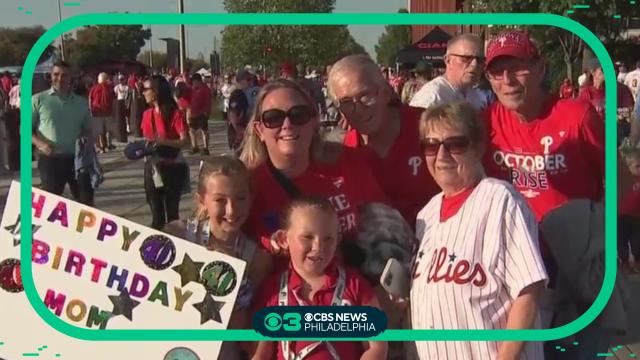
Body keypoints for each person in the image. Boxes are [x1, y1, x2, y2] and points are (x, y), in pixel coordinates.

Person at [482, 30, 607, 359]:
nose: (507, 80)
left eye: (518, 68)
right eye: (497, 71)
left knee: (574, 351)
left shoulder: (577, 116)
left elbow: (617, 181)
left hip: (571, 266)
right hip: (515, 267)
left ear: (540, 68)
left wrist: (601, 237)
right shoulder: (485, 123)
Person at [405, 101, 547, 360]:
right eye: (430, 145)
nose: (441, 156)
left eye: (455, 145)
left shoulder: (499, 198)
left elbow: (529, 291)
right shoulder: (426, 215)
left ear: (478, 147)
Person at [239, 79, 388, 258]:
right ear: (259, 130)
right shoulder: (244, 187)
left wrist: (382, 285)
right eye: (274, 118)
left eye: (298, 115)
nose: (287, 125)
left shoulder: (347, 163)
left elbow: (389, 233)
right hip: (280, 285)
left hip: (352, 282)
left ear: (314, 121)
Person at [251, 196, 388, 360]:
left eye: (328, 239)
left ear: (338, 240)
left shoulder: (354, 284)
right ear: (283, 239)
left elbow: (378, 347)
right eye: (307, 237)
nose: (318, 247)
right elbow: (260, 355)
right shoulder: (272, 291)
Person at [165, 156, 273, 359]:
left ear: (251, 198)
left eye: (240, 198)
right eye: (220, 200)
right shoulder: (176, 235)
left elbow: (244, 328)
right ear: (202, 200)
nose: (231, 210)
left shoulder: (258, 259)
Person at [328, 54, 439, 228]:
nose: (358, 109)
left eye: (365, 96)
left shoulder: (429, 127)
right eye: (347, 102)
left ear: (385, 93)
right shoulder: (347, 150)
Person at [31, 61, 95, 205]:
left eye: (64, 75)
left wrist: (87, 144)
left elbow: (88, 129)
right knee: (51, 204)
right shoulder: (38, 100)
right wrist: (40, 144)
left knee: (86, 202)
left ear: (70, 77)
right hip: (50, 159)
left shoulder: (80, 102)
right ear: (50, 76)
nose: (60, 78)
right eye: (56, 74)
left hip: (76, 160)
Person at [140, 75, 189, 230]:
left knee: (172, 215)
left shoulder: (175, 113)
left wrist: (163, 141)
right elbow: (148, 139)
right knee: (156, 215)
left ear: (155, 91)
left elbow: (185, 142)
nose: (143, 93)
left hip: (172, 167)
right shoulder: (147, 114)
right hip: (153, 167)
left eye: (146, 89)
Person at [409, 33, 488, 111]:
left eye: (479, 60)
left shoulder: (478, 97)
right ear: (448, 61)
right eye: (466, 58)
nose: (474, 64)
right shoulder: (432, 97)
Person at [618, 148, 640, 274]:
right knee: (622, 241)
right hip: (621, 216)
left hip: (637, 216)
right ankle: (624, 262)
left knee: (637, 241)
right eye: (637, 166)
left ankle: (637, 261)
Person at [88, 72, 116, 152]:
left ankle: (101, 147)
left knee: (98, 131)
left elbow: (90, 99)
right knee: (108, 130)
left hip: (96, 112)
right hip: (108, 112)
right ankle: (108, 145)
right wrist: (113, 111)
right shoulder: (110, 88)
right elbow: (113, 101)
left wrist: (90, 110)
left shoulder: (93, 88)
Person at [188, 73, 212, 155]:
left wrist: (207, 112)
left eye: (194, 81)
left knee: (204, 130)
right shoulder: (194, 89)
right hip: (194, 113)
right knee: (191, 130)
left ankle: (205, 148)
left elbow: (208, 102)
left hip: (202, 113)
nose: (193, 83)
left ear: (198, 81)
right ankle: (195, 146)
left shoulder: (205, 89)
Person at [226, 89, 250, 153]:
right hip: (244, 130)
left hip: (238, 131)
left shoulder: (232, 108)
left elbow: (234, 119)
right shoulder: (246, 108)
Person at [114, 74, 131, 142]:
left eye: (122, 79)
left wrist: (128, 103)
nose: (120, 81)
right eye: (119, 80)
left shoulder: (127, 87)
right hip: (119, 102)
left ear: (124, 80)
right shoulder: (117, 87)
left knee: (127, 115)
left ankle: (128, 126)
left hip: (125, 101)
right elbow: (115, 94)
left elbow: (129, 95)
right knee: (120, 117)